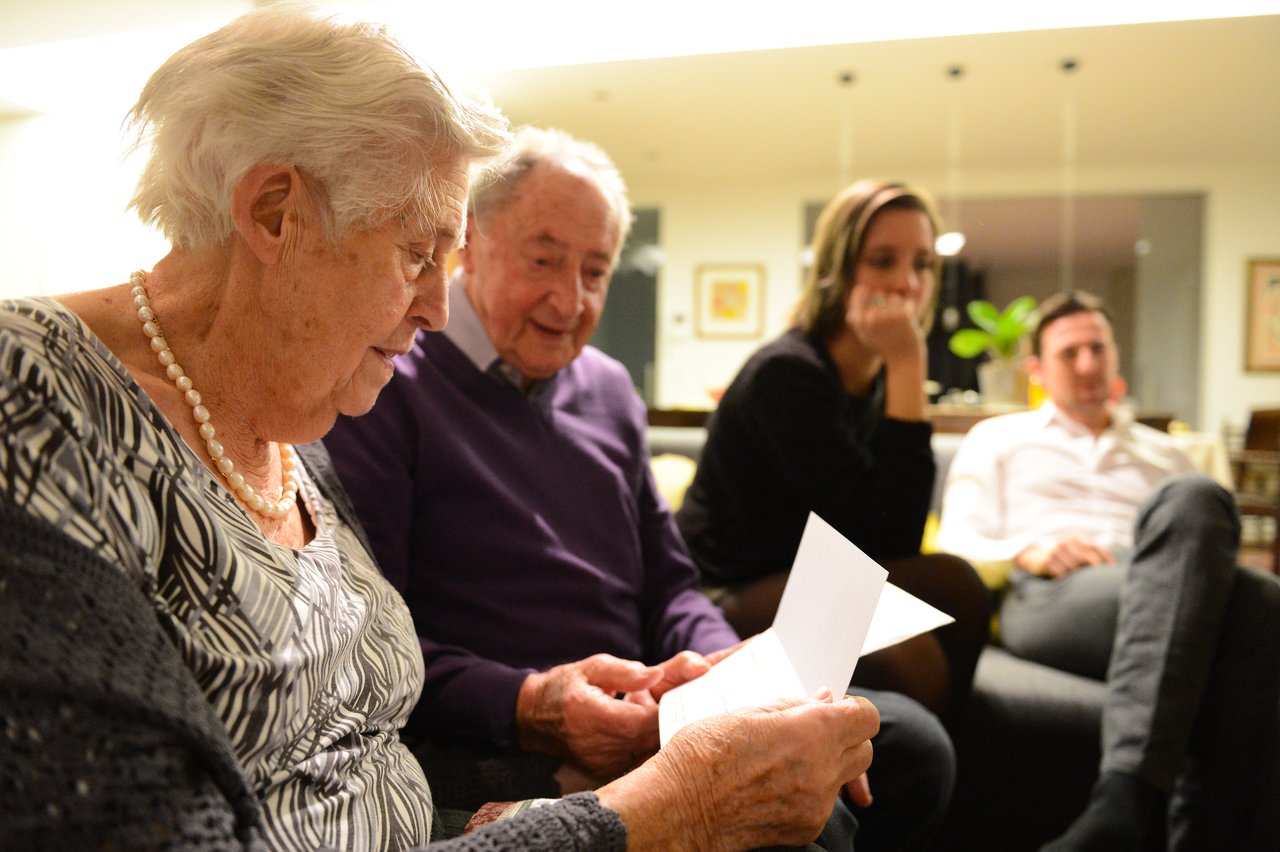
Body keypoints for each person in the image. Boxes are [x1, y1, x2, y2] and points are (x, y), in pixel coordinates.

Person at [0, 8, 883, 851]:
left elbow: (354, 761)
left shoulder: (288, 424)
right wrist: (654, 810)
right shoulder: (32, 394)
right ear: (274, 212)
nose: (434, 307)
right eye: (418, 255)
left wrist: (501, 818)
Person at [324, 129, 955, 851]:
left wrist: (732, 667)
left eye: (596, 272)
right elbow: (371, 646)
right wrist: (534, 703)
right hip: (515, 722)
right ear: (474, 238)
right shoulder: (389, 379)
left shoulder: (610, 389)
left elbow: (674, 585)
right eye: (544, 259)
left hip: (664, 705)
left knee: (909, 746)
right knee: (811, 817)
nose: (570, 299)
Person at [936, 290, 1280, 850]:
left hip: (1150, 575)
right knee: (1259, 606)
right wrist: (1030, 549)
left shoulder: (1166, 452)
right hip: (1052, 591)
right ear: (1039, 371)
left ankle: (1124, 806)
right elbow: (956, 540)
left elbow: (1198, 554)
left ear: (1116, 357)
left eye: (1098, 348)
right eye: (1070, 354)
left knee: (1203, 509)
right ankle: (1142, 805)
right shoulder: (998, 438)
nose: (1089, 364)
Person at [674, 179, 990, 728]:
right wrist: (909, 365)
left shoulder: (867, 385)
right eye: (883, 261)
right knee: (912, 661)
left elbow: (895, 543)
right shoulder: (788, 373)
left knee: (960, 585)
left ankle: (952, 784)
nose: (907, 283)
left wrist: (897, 372)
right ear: (841, 271)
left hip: (809, 577)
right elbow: (883, 543)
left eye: (922, 264)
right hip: (729, 588)